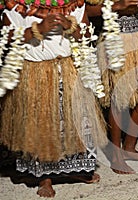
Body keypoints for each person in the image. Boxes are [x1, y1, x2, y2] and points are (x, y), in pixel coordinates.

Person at [0, 0, 107, 197]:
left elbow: (87, 35)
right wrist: (37, 29)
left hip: (68, 68)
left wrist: (70, 26)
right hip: (35, 72)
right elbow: (7, 37)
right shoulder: (16, 5)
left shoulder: (74, 4)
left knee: (75, 122)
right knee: (42, 125)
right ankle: (44, 178)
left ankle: (77, 170)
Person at [86, 0, 138, 174]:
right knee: (118, 99)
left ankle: (129, 147)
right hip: (114, 41)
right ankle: (116, 155)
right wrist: (118, 6)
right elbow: (88, 10)